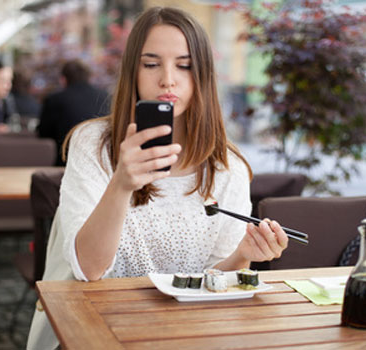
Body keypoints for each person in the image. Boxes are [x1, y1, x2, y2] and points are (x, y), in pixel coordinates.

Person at [27, 7, 288, 349]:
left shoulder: (227, 167)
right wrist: (122, 184)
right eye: (151, 64)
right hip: (95, 329)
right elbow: (88, 270)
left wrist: (243, 254)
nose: (168, 78)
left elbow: (214, 281)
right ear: (132, 72)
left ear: (203, 76)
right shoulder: (93, 144)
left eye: (184, 65)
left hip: (188, 334)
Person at [37, 59, 110, 165]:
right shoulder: (106, 97)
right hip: (101, 164)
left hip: (65, 164)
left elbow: (43, 134)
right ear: (89, 77)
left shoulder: (55, 100)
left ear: (63, 79)